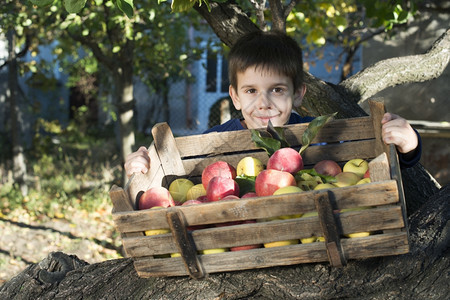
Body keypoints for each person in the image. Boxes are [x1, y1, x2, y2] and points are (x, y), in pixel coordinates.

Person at [124, 30, 421, 178]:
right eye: (251, 91)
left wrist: (407, 147)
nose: (264, 103)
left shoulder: (316, 138)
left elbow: (365, 161)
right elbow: (179, 173)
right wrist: (146, 168)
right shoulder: (215, 142)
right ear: (235, 97)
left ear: (298, 94)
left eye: (277, 90)